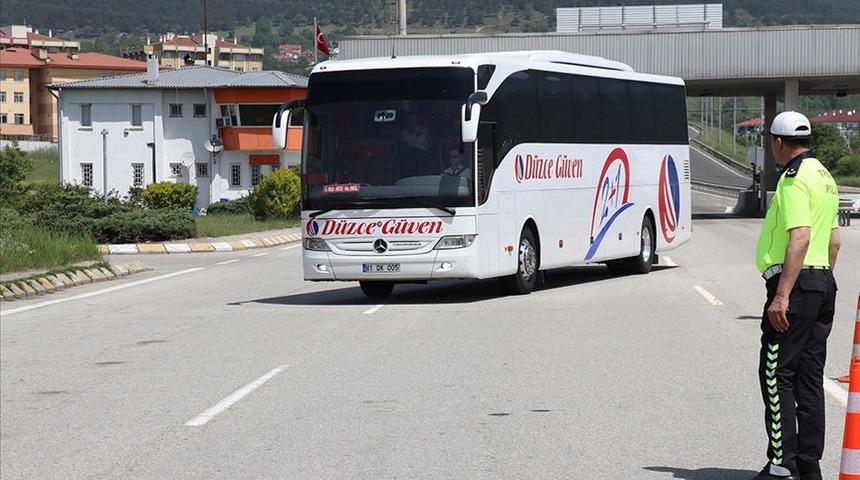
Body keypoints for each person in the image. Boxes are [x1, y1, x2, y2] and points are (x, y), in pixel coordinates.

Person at [752, 111, 840, 480]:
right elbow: (834, 241)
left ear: (777, 142)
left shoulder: (793, 179)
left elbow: (799, 237)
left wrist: (784, 295)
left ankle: (781, 465)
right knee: (808, 376)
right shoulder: (825, 177)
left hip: (797, 285)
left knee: (776, 373)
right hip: (821, 283)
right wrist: (820, 285)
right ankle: (808, 464)